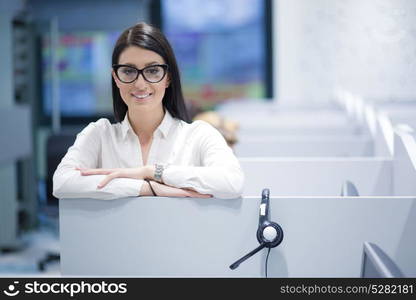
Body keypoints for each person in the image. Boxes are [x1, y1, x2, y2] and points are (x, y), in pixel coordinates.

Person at [53, 22, 244, 200]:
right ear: (116, 78)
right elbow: (62, 182)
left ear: (168, 77)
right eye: (128, 71)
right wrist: (148, 189)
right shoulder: (99, 134)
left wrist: (153, 172)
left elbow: (231, 182)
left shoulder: (198, 135)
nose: (140, 84)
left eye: (153, 71)